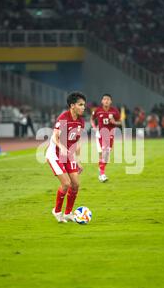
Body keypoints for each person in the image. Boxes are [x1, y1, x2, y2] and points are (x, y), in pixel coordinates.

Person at [46, 92, 86, 223]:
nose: (83, 107)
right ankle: (57, 211)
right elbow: (54, 136)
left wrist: (78, 160)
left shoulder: (81, 121)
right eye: (81, 104)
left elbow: (77, 142)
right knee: (66, 184)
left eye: (84, 105)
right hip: (55, 153)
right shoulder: (64, 117)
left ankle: (68, 213)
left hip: (68, 154)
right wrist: (61, 146)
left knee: (75, 184)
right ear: (72, 105)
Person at [90, 94, 121, 183]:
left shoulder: (115, 111)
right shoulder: (98, 110)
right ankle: (102, 174)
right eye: (104, 99)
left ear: (111, 101)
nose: (106, 101)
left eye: (108, 99)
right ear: (102, 101)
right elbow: (92, 119)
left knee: (105, 156)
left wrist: (114, 122)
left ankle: (101, 173)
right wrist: (94, 126)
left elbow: (120, 122)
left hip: (111, 134)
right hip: (100, 134)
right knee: (104, 152)